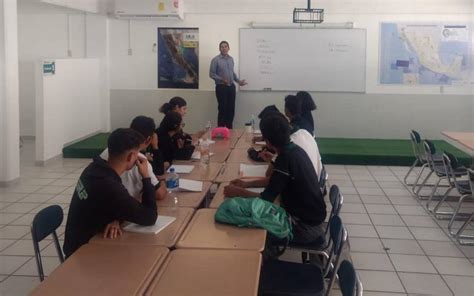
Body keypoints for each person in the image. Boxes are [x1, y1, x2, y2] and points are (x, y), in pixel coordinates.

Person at [224, 113, 326, 244]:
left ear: (267, 142)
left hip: (304, 228)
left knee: (251, 233)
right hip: (314, 221)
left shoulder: (285, 158)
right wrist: (245, 184)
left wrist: (238, 193)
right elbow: (274, 181)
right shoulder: (294, 150)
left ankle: (266, 260)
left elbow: (265, 200)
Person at [63, 128, 158, 258]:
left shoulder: (94, 168)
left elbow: (107, 204)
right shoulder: (109, 185)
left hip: (77, 242)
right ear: (131, 157)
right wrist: (146, 177)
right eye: (137, 154)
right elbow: (150, 217)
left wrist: (116, 218)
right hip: (83, 253)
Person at [100, 116, 167, 200]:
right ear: (149, 139)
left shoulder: (109, 150)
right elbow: (159, 194)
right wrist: (163, 181)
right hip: (127, 206)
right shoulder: (140, 159)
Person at [209, 40, 247, 129]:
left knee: (231, 110)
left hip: (231, 87)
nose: (224, 48)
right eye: (222, 46)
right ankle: (221, 130)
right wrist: (222, 80)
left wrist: (238, 81)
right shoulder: (215, 60)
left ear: (228, 48)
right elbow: (212, 74)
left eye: (226, 46)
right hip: (221, 87)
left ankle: (229, 130)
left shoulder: (231, 59)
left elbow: (232, 73)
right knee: (223, 109)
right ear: (219, 49)